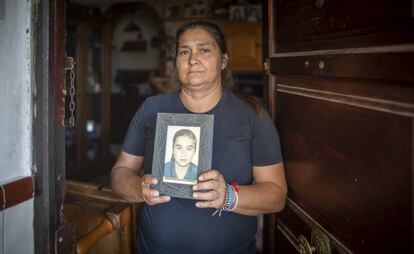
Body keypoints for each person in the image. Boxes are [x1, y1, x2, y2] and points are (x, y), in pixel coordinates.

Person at [111, 20, 287, 254]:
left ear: (223, 60)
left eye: (204, 50)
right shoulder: (152, 108)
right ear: (176, 61)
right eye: (184, 51)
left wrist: (228, 196)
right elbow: (119, 174)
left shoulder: (252, 116)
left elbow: (276, 196)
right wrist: (139, 187)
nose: (193, 59)